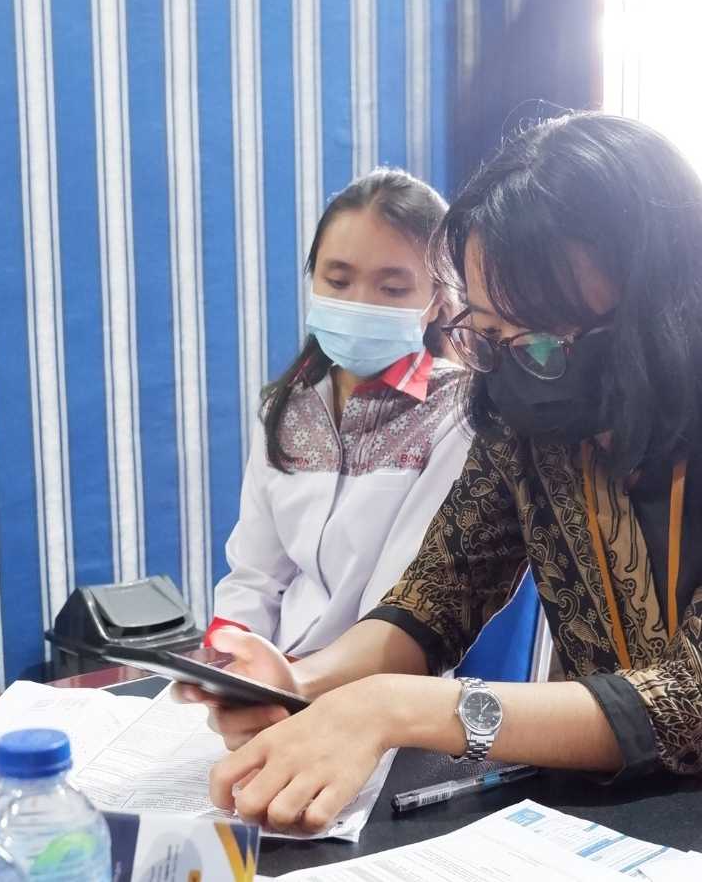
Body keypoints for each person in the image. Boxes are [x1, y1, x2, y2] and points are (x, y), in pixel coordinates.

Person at [181, 114, 702, 831]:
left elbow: (689, 698)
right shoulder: (525, 418)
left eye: (546, 341)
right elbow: (436, 598)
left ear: (660, 306)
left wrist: (401, 707)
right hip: (605, 814)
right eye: (489, 334)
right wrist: (300, 681)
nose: (518, 366)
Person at [208, 169, 469, 656]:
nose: (359, 304)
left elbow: (404, 604)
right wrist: (227, 661)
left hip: (383, 678)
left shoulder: (457, 414)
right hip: (277, 671)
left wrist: (303, 682)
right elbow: (256, 575)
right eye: (338, 280)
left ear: (438, 301)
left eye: (392, 289)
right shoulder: (284, 408)